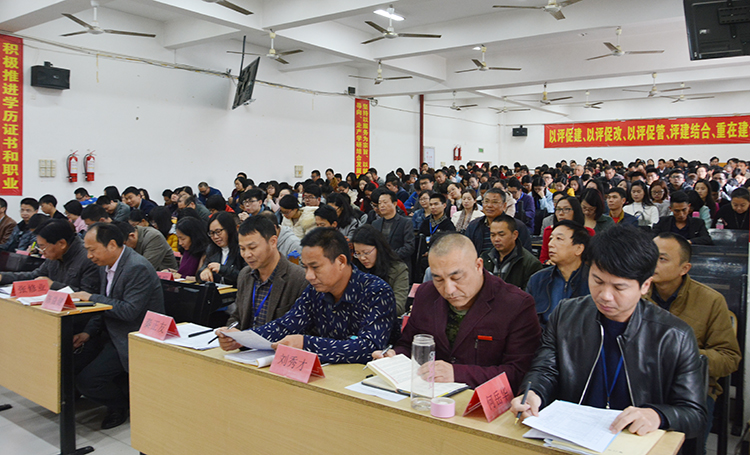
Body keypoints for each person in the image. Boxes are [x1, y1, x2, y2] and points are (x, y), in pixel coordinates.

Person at [511, 225, 706, 440]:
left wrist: (658, 415)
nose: (605, 295)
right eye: (597, 281)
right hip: (569, 435)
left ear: (645, 285)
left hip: (632, 440)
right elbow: (545, 369)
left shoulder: (675, 336)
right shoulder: (566, 315)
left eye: (619, 287)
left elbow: (693, 414)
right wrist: (533, 393)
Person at [375, 232, 540, 390]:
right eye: (438, 279)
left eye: (457, 278)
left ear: (478, 266)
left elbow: (518, 373)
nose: (449, 290)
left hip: (480, 401)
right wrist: (394, 356)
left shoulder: (516, 304)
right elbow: (408, 344)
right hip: (426, 394)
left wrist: (457, 373)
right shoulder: (426, 294)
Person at [234, 228, 395, 364]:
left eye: (315, 267)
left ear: (340, 261)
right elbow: (287, 325)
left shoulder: (377, 292)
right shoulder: (315, 290)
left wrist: (306, 343)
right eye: (305, 267)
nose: (309, 276)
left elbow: (369, 347)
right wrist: (242, 339)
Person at [646, 233, 741, 453]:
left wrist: (684, 357)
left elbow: (729, 358)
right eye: (650, 256)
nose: (652, 263)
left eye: (662, 259)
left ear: (684, 268)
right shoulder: (637, 293)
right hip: (644, 382)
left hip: (691, 390)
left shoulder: (710, 300)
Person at [71, 223, 164, 429]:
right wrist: (88, 332)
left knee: (88, 381)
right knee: (71, 363)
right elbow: (103, 306)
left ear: (112, 245)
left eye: (92, 250)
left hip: (131, 335)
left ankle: (121, 405)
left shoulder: (137, 267)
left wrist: (91, 297)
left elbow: (129, 311)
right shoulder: (106, 265)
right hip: (109, 331)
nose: (89, 256)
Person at [216, 217, 308, 345]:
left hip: (277, 352)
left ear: (273, 242)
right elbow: (237, 316)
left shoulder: (299, 278)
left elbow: (304, 329)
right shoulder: (245, 275)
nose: (247, 255)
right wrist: (231, 334)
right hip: (245, 351)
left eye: (252, 248)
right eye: (242, 249)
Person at [0, 219, 100, 293]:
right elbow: (35, 276)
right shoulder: (54, 255)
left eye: (43, 247)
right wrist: (3, 277)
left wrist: (53, 285)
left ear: (61, 244)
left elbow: (87, 295)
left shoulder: (89, 258)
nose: (41, 252)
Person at [526, 221, 591, 326]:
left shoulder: (594, 281)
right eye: (551, 238)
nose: (550, 244)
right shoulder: (538, 280)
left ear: (579, 248)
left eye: (559, 239)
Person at [351, 225, 409, 315]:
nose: (362, 258)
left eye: (366, 253)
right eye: (357, 253)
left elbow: (398, 306)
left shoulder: (398, 269)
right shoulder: (354, 269)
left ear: (379, 248)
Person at [481, 215, 543, 290]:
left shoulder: (530, 264)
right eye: (493, 235)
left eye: (501, 235)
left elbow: (529, 294)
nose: (496, 239)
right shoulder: (484, 257)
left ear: (515, 235)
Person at [465, 188, 532, 255]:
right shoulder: (473, 225)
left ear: (504, 206)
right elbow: (467, 251)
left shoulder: (517, 226)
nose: (489, 205)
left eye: (495, 202)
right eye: (486, 201)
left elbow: (525, 255)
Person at [539, 196, 594, 264]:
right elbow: (543, 259)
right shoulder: (549, 231)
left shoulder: (588, 232)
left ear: (576, 211)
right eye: (558, 209)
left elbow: (591, 259)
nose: (561, 213)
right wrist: (548, 262)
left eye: (566, 209)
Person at [197, 212, 245, 285]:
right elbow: (200, 272)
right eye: (212, 233)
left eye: (218, 232)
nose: (215, 236)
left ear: (229, 229)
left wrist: (222, 269)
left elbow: (246, 278)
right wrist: (204, 272)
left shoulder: (242, 248)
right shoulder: (211, 249)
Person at [371, 189, 415, 265]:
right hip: (380, 263)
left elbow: (409, 247)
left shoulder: (405, 222)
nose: (382, 205)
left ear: (394, 204)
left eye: (385, 202)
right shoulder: (375, 223)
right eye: (379, 203)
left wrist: (389, 256)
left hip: (399, 263)